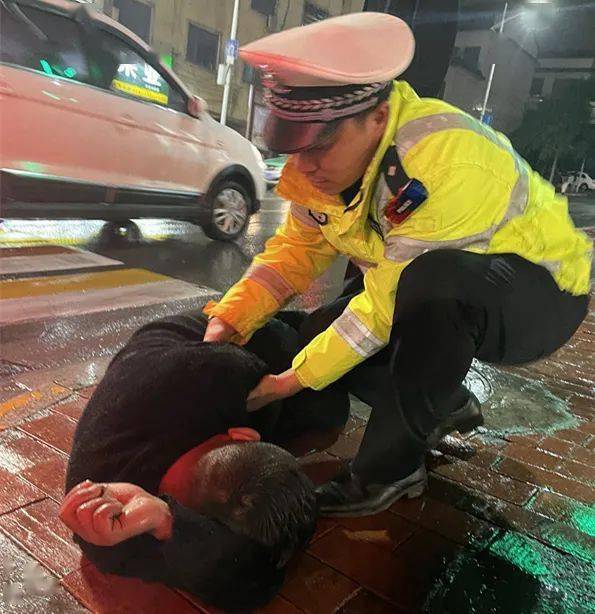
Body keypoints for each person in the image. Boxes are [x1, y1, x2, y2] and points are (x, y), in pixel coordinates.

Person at [202, 12, 592, 517]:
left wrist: (285, 383)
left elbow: (386, 305)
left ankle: (387, 471)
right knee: (319, 333)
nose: (304, 165)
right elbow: (294, 253)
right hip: (441, 286)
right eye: (291, 146)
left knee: (430, 288)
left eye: (319, 143)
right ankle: (444, 403)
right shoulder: (321, 169)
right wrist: (229, 318)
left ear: (378, 117)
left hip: (541, 296)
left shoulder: (442, 158)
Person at [60, 311, 350, 611]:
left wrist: (171, 525)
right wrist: (169, 523)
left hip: (219, 348)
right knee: (322, 414)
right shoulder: (101, 485)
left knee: (324, 414)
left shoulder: (224, 376)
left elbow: (249, 584)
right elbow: (243, 583)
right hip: (201, 352)